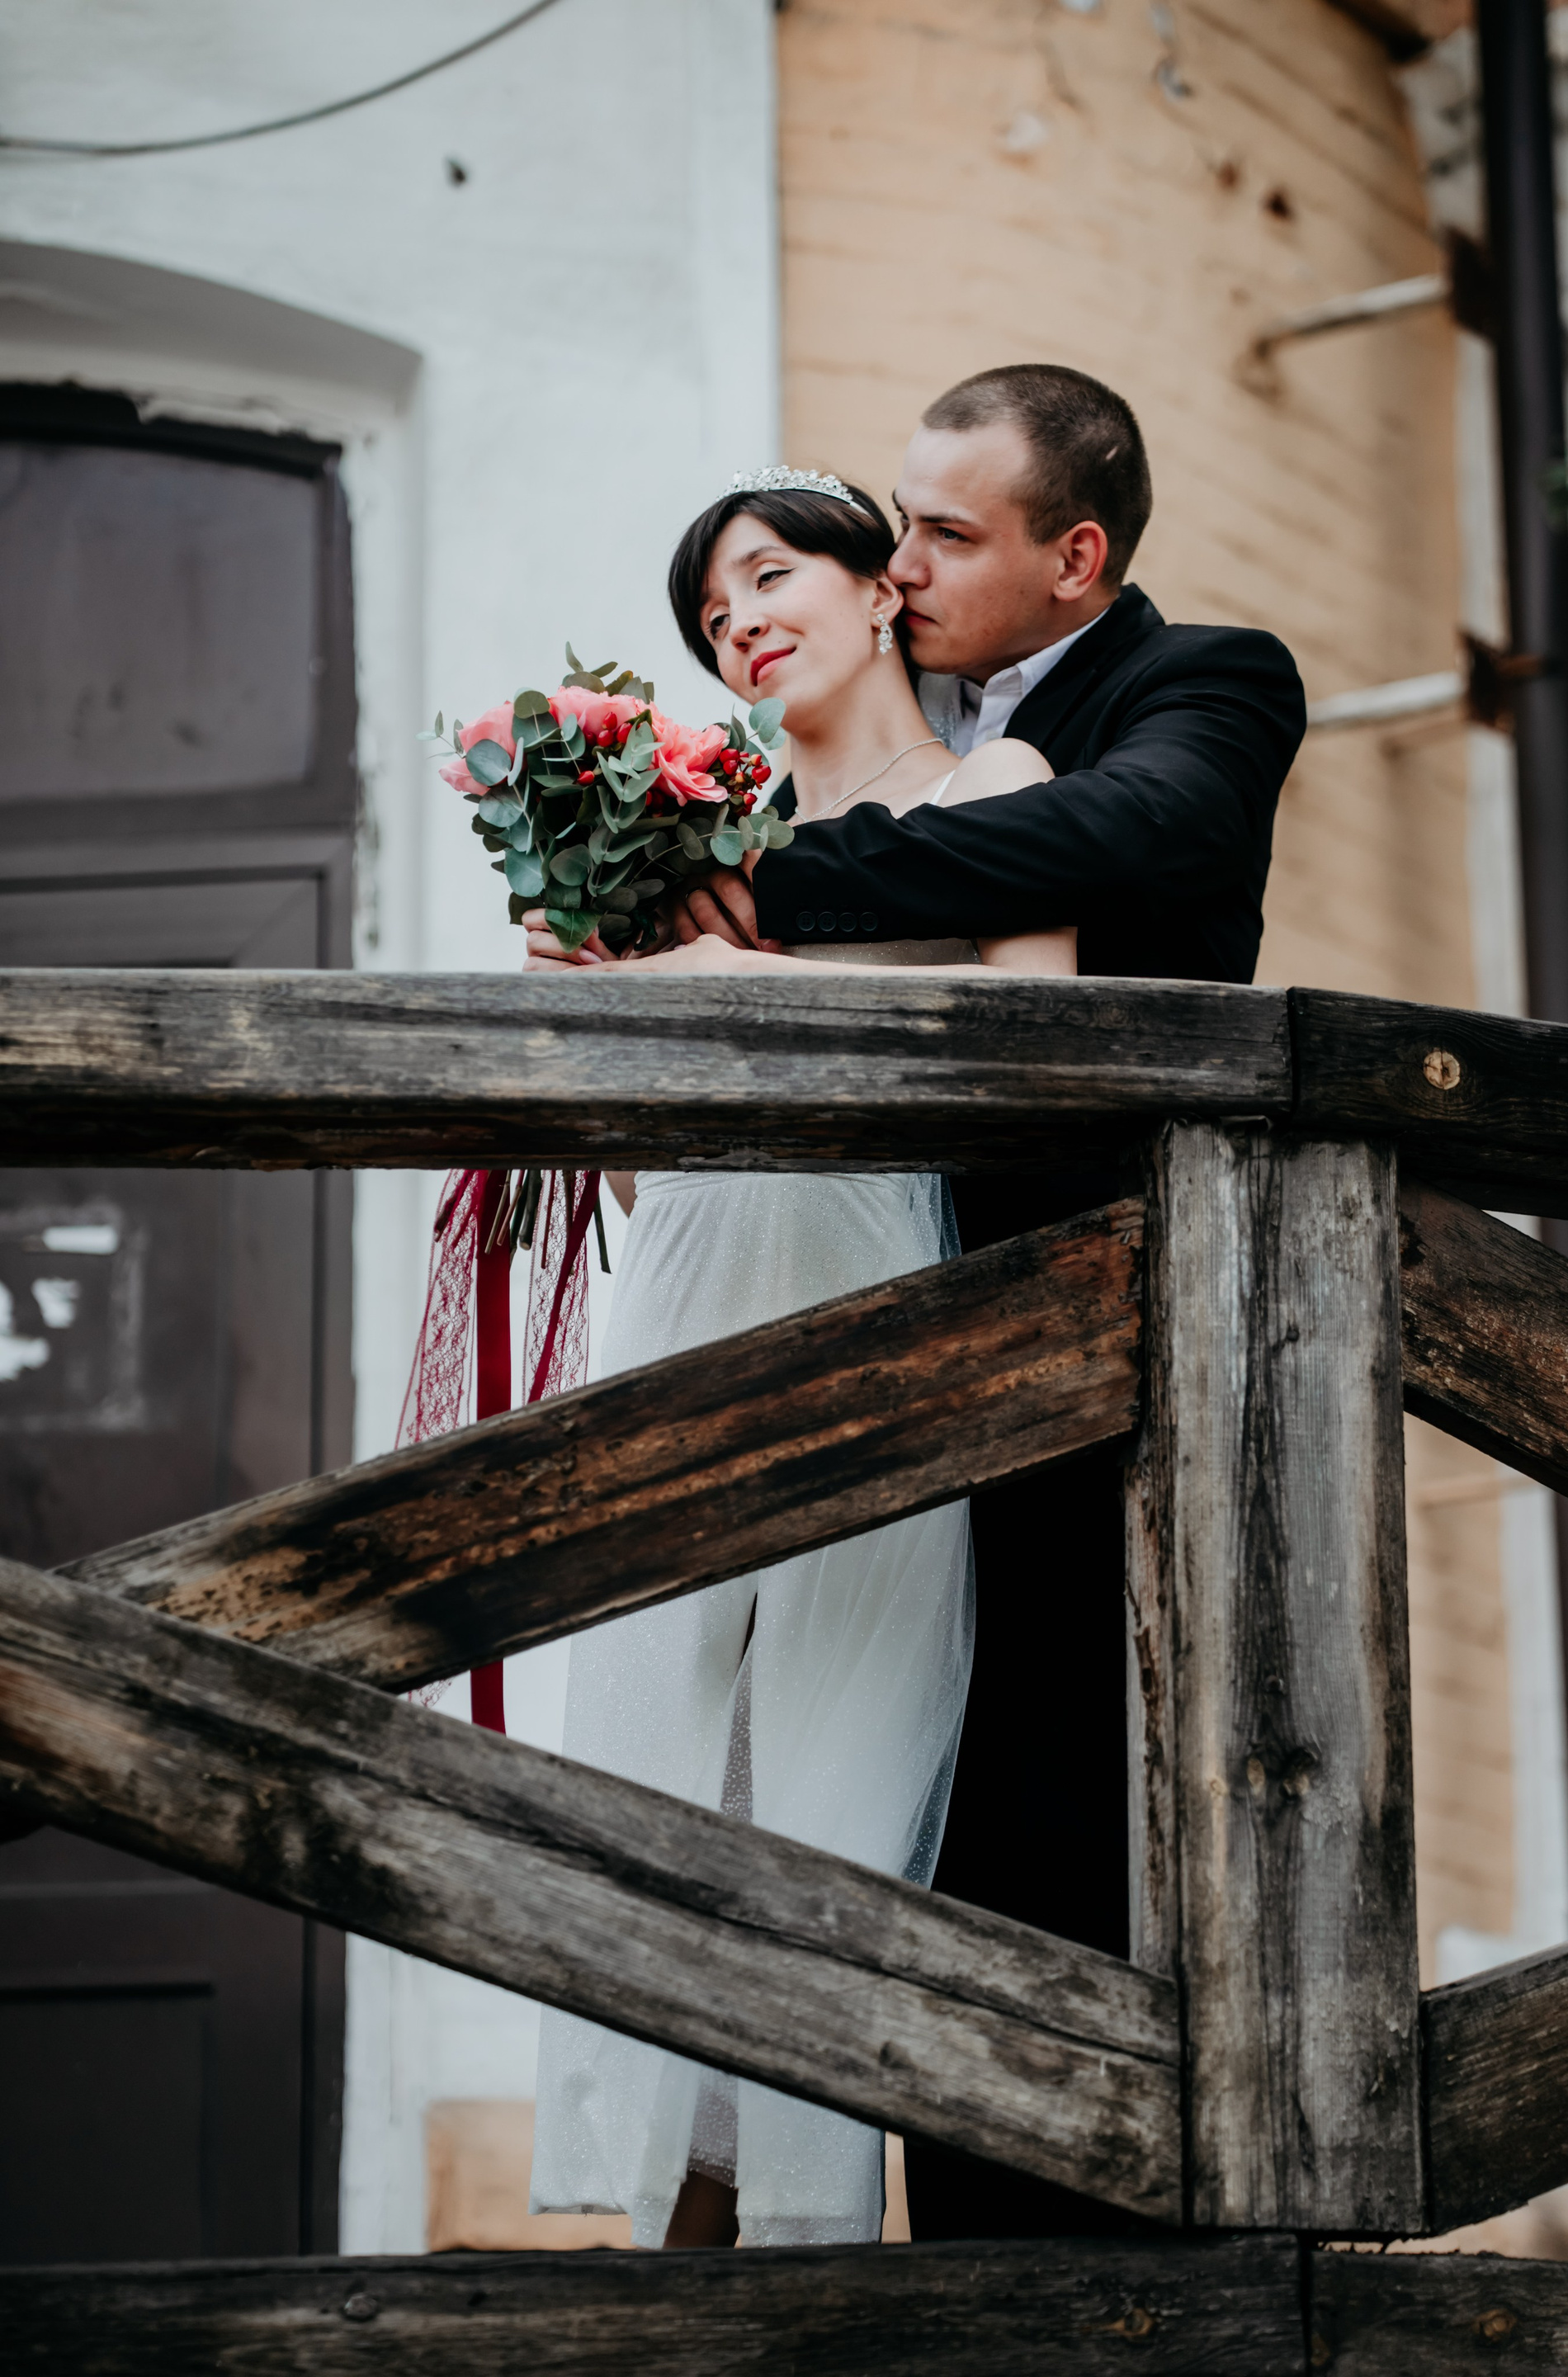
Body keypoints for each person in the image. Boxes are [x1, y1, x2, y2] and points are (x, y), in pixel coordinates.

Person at [649, 367, 1307, 2242]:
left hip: (1103, 1337)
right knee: (809, 1791)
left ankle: (1068, 2277)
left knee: (1061, 1812)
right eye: (900, 523)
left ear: (1075, 557)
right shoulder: (873, 715)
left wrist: (750, 899)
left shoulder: (1200, 686)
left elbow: (1114, 843)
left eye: (946, 532)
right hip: (860, 1310)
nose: (904, 558)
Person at [522, 465, 1080, 2252]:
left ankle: (810, 2256)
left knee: (835, 1771)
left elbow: (1044, 1037)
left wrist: (701, 994)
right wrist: (596, 980)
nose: (741, 623)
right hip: (689, 1297)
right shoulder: (709, 845)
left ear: (879, 588)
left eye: (770, 577)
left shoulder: (992, 788)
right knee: (658, 1769)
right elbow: (636, 1154)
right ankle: (668, 2261)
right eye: (712, 615)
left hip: (874, 1307)